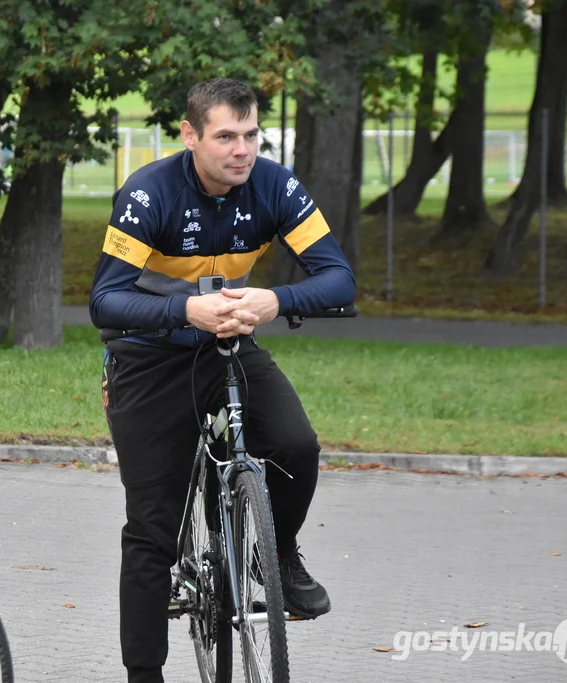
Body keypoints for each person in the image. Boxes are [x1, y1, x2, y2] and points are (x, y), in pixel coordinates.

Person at [89, 78, 355, 683]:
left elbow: (339, 279)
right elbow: (105, 301)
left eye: (251, 135)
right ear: (190, 135)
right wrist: (185, 309)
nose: (242, 150)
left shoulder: (273, 184)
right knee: (152, 528)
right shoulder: (148, 193)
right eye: (226, 136)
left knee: (295, 445)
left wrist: (274, 300)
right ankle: (144, 674)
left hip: (228, 345)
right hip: (148, 358)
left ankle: (277, 554)